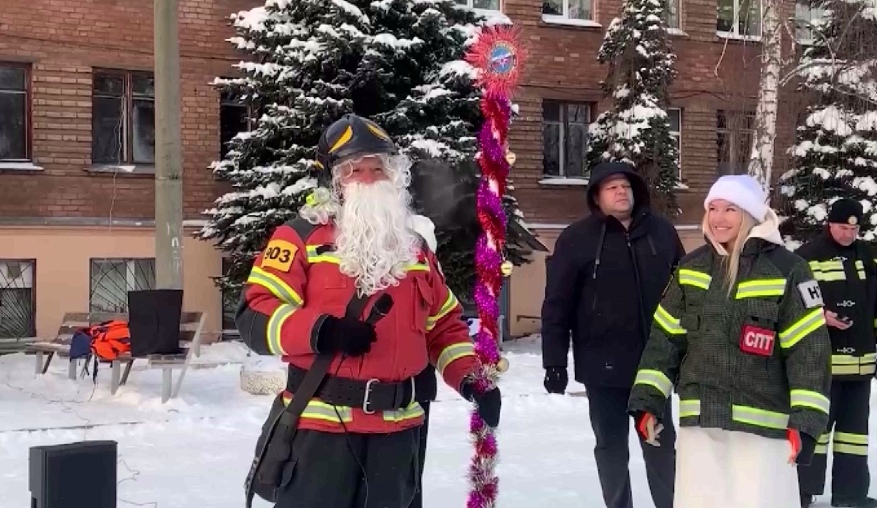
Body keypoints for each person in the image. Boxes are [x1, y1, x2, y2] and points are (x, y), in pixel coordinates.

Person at [236, 113, 501, 508]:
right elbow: (255, 315)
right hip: (319, 430)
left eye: (378, 167)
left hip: (398, 436)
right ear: (335, 182)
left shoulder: (415, 250)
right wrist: (320, 331)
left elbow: (444, 326)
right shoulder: (298, 238)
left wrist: (468, 378)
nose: (368, 177)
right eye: (354, 169)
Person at [628, 174, 832, 508]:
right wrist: (647, 401)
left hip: (763, 431)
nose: (719, 218)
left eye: (730, 209)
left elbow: (809, 352)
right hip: (702, 427)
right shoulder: (691, 268)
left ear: (750, 214)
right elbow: (665, 340)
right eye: (713, 208)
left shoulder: (788, 270)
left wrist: (806, 423)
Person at [541, 161, 683, 508]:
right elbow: (557, 305)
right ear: (596, 196)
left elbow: (688, 294)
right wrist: (554, 361)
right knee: (611, 448)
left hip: (654, 366)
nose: (621, 192)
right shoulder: (577, 239)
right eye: (612, 187)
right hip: (601, 366)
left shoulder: (661, 233)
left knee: (660, 446)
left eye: (626, 186)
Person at [796, 198, 877, 508]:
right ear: (829, 224)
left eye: (855, 229)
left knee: (854, 437)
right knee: (815, 431)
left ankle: (850, 494)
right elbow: (792, 301)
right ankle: (803, 491)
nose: (849, 234)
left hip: (860, 363)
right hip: (823, 365)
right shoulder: (808, 257)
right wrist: (821, 315)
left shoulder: (865, 255)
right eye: (844, 227)